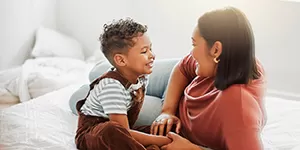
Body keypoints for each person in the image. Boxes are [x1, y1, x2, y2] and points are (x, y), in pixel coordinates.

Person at [150, 7, 267, 150]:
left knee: (118, 108)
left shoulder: (238, 103)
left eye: (194, 44)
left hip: (179, 119)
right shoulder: (226, 62)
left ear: (216, 49)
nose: (191, 52)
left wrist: (192, 148)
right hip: (174, 89)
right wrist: (167, 111)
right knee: (122, 75)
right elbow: (183, 67)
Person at [75, 18, 171, 150]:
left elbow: (126, 131)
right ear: (120, 60)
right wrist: (163, 141)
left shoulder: (142, 78)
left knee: (162, 129)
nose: (152, 55)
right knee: (112, 130)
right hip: (94, 134)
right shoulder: (112, 86)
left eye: (151, 49)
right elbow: (122, 132)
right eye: (144, 51)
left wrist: (162, 137)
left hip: (124, 130)